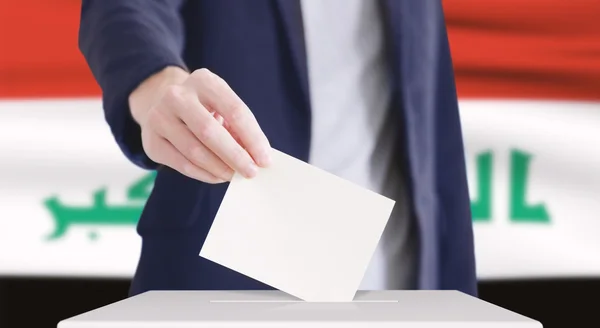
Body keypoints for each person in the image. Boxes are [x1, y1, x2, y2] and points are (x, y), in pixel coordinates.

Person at [79, 0, 477, 297]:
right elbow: (124, 10)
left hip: (398, 283)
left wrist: (456, 290)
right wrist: (160, 85)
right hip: (226, 280)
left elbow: (430, 109)